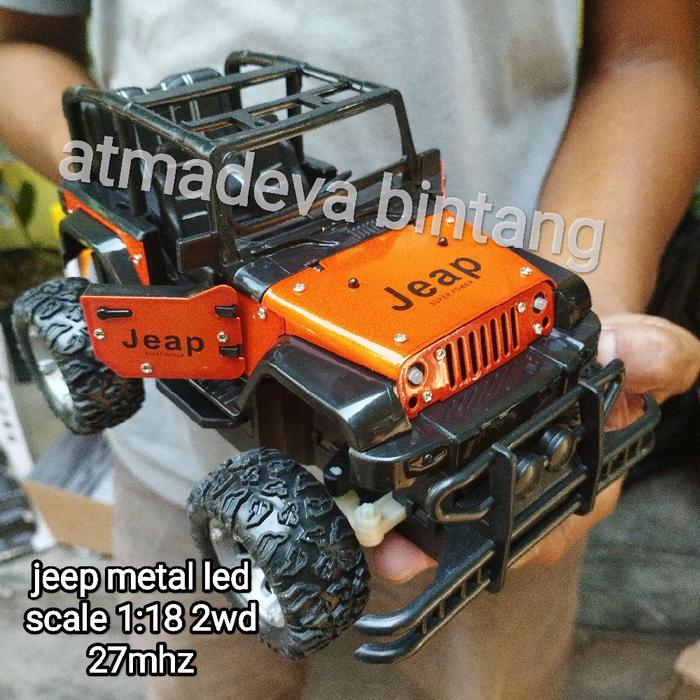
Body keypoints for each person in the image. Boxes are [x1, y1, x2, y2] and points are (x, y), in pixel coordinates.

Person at [1, 1, 699, 698]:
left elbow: (652, 57)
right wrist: (135, 176)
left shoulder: (343, 189)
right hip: (181, 423)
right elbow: (16, 44)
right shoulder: (174, 216)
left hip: (396, 276)